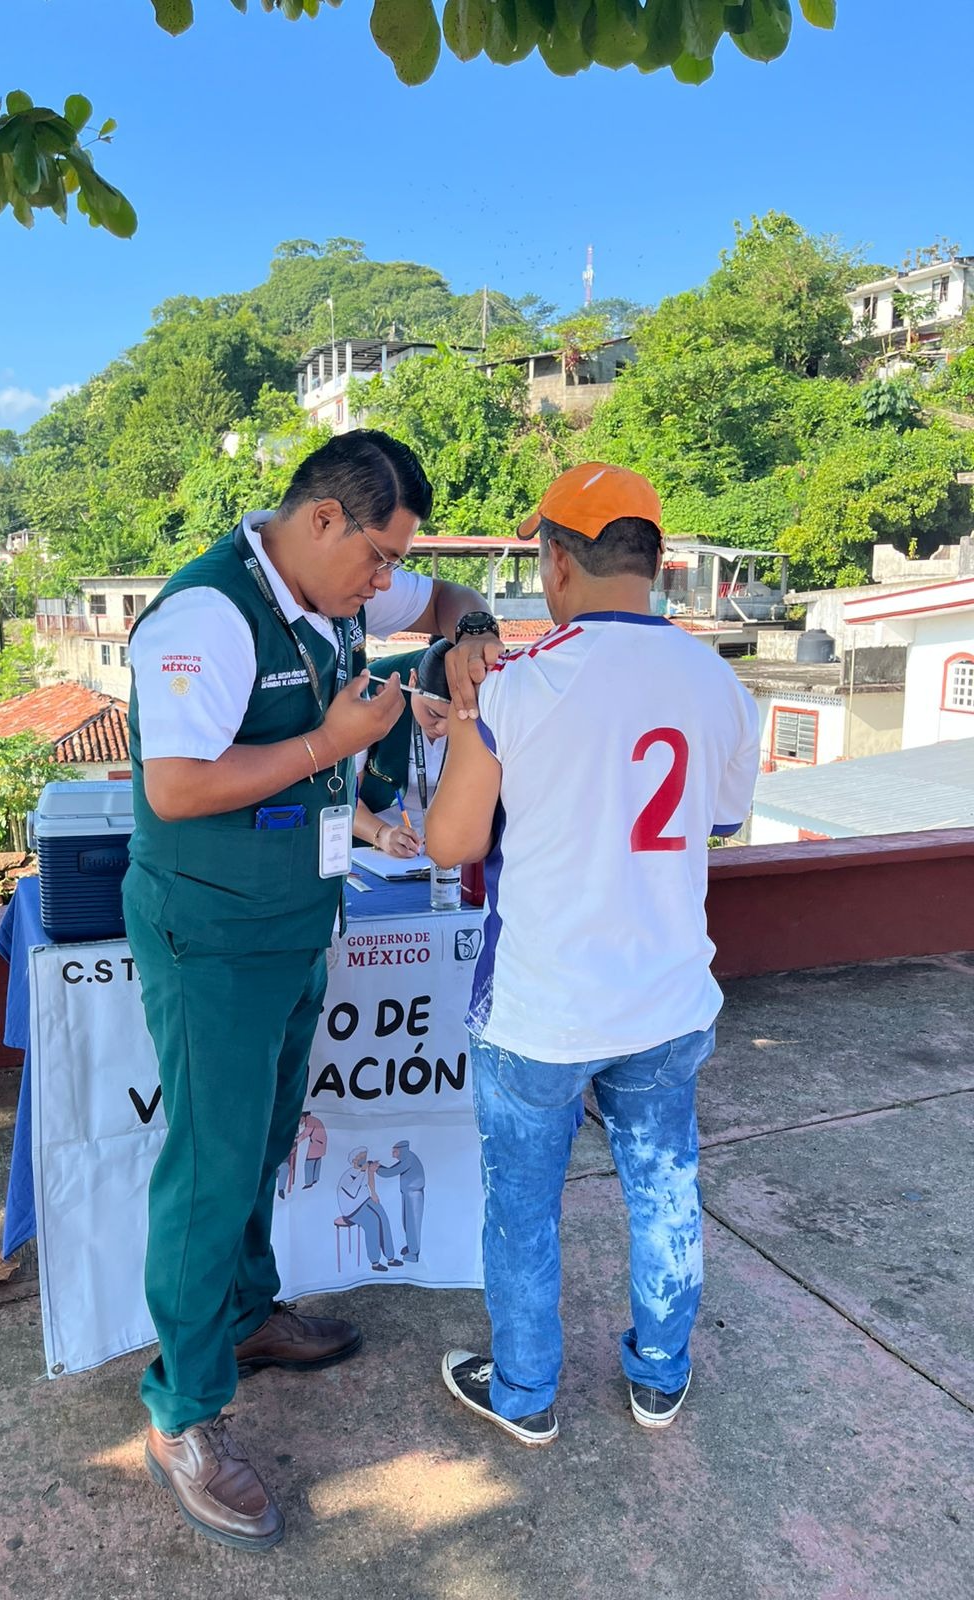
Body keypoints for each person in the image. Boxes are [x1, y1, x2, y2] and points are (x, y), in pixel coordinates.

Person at [123, 429, 502, 1551]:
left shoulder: (342, 588)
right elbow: (177, 786)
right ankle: (181, 1416)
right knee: (208, 1171)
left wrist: (467, 643)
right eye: (379, 558)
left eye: (396, 566)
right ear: (324, 518)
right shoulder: (207, 614)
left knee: (264, 1140)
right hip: (212, 933)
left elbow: (454, 602)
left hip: (296, 918)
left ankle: (245, 1316)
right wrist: (329, 740)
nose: (387, 585)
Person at [426, 462, 760, 1449]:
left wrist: (465, 735)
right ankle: (661, 1375)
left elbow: (450, 842)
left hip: (541, 1009)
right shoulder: (720, 682)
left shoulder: (517, 685)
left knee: (523, 1208)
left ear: (558, 563)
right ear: (654, 563)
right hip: (665, 1000)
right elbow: (720, 820)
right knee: (664, 1188)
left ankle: (526, 1391)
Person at [353, 638, 452, 860]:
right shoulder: (371, 696)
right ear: (413, 680)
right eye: (433, 714)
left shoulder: (488, 708)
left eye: (456, 719)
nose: (443, 728)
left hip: (448, 848)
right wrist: (382, 834)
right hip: (373, 847)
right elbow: (341, 797)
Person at [335, 1147, 400, 1270]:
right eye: (361, 1156)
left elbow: (369, 1181)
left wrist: (373, 1192)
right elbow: (352, 1191)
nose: (364, 1158)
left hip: (365, 1201)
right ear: (354, 1160)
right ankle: (375, 1262)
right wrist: (363, 1171)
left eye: (365, 1155)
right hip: (352, 1209)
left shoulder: (363, 1171)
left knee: (383, 1218)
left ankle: (390, 1258)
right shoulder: (348, 1175)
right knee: (372, 1223)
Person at [376, 1138, 426, 1262]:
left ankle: (414, 1253)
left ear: (402, 1150)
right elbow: (392, 1169)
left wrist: (377, 1169)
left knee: (412, 1224)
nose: (393, 1154)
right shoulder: (407, 1158)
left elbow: (391, 1172)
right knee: (407, 1222)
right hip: (408, 1193)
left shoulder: (408, 1159)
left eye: (395, 1151)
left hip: (413, 1194)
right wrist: (379, 1167)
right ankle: (411, 1246)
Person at [294, 1110, 327, 1189]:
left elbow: (305, 1134)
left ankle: (309, 1182)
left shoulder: (310, 1121)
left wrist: (296, 1141)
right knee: (317, 1160)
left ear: (303, 1116)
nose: (299, 1122)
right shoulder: (312, 1119)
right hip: (321, 1142)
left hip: (317, 1143)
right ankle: (315, 1178)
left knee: (309, 1162)